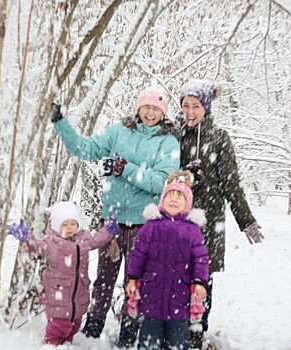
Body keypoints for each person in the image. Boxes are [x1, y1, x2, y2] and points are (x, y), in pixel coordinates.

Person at [49, 85, 180, 348]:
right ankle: (94, 327)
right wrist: (61, 123)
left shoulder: (168, 142)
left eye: (156, 109)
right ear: (138, 108)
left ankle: (130, 330)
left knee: (137, 282)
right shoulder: (118, 132)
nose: (151, 113)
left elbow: (162, 182)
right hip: (112, 222)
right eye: (147, 107)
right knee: (104, 280)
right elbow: (84, 149)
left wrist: (125, 169)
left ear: (163, 113)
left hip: (145, 225)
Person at [179, 79, 265, 349]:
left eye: (196, 106)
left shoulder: (219, 138)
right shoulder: (176, 135)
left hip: (208, 221)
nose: (190, 112)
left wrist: (246, 220)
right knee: (178, 276)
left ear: (206, 108)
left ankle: (196, 334)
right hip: (179, 221)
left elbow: (231, 182)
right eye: (185, 106)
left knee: (201, 280)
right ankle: (178, 331)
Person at [6, 201, 120, 345]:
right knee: (58, 327)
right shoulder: (52, 242)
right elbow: (38, 247)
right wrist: (26, 238)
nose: (69, 228)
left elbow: (97, 240)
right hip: (58, 295)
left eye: (73, 223)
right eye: (64, 224)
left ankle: (66, 344)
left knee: (74, 323)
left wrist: (109, 230)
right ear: (56, 225)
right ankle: (51, 345)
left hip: (78, 294)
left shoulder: (83, 239)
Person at [126, 170, 209, 350]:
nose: (173, 199)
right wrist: (133, 278)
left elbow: (201, 259)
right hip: (152, 295)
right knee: (149, 340)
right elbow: (138, 254)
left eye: (179, 196)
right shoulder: (151, 227)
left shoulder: (192, 230)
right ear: (162, 201)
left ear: (187, 204)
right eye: (169, 195)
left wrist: (200, 282)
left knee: (178, 341)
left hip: (180, 298)